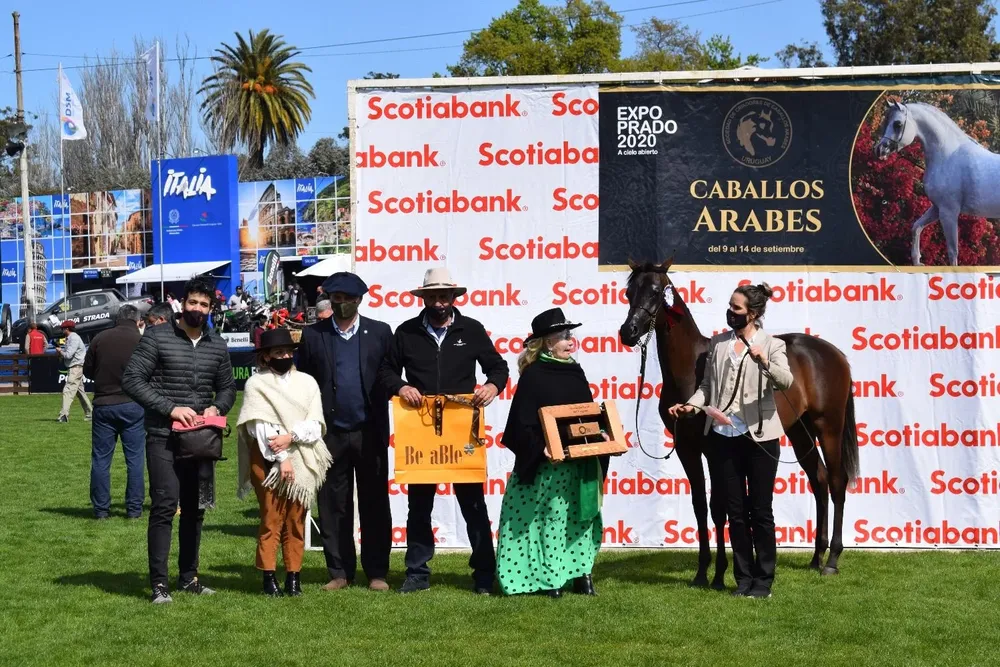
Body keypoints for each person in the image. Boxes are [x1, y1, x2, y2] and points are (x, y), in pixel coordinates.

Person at [378, 267, 509, 595]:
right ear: (423, 298)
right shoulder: (406, 332)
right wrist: (401, 386)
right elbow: (385, 370)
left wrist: (492, 386)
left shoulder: (472, 329)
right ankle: (417, 573)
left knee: (473, 506)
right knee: (419, 506)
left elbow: (499, 367)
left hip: (462, 427)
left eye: (443, 296)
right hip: (421, 429)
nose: (438, 302)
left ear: (453, 297)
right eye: (432, 296)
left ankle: (483, 574)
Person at [669, 282, 793, 600]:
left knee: (761, 510)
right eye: (730, 306)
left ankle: (763, 581)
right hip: (723, 437)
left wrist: (764, 361)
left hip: (761, 437)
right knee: (734, 511)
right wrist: (691, 406)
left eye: (736, 308)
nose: (731, 312)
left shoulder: (772, 345)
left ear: (752, 313)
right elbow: (708, 386)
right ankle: (743, 579)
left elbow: (786, 381)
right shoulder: (719, 344)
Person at [123, 278, 236, 604]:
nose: (197, 309)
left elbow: (228, 387)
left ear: (211, 308)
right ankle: (159, 585)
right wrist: (171, 408)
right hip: (162, 437)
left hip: (201, 440)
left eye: (204, 305)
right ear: (182, 303)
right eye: (193, 303)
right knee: (163, 507)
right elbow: (132, 380)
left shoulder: (217, 344)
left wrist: (219, 405)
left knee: (195, 510)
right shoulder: (158, 336)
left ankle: (189, 577)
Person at [496, 308, 607, 598]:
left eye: (571, 335)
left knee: (581, 517)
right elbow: (519, 424)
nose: (571, 341)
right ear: (547, 342)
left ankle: (582, 574)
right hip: (546, 467)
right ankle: (548, 578)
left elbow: (586, 414)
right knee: (545, 520)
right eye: (563, 336)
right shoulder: (533, 376)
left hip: (578, 465)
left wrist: (601, 436)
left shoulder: (575, 370)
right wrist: (540, 446)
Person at [297, 272, 394, 592]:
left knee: (375, 503)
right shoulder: (313, 335)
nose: (340, 304)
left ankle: (377, 571)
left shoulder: (380, 333)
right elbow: (304, 382)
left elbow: (389, 374)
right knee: (332, 504)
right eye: (335, 299)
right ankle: (339, 571)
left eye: (346, 299)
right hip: (329, 433)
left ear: (359, 300)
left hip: (370, 431)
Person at [237, 328, 333, 597]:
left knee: (296, 518)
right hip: (267, 460)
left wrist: (291, 437)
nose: (285, 356)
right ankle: (269, 577)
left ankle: (294, 576)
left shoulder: (308, 383)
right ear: (266, 356)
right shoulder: (256, 385)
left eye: (289, 351)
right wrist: (282, 458)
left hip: (303, 456)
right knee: (271, 517)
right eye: (279, 352)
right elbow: (259, 426)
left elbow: (316, 424)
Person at [83, 305, 146, 520]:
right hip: (133, 405)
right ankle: (134, 509)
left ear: (116, 319)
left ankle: (101, 510)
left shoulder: (99, 339)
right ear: (137, 321)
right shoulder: (141, 341)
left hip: (104, 403)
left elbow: (87, 371)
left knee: (101, 460)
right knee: (135, 459)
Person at [57, 320, 92, 423]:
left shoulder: (73, 338)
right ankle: (90, 413)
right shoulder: (71, 338)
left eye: (63, 328)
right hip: (75, 367)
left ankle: (64, 415)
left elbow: (68, 355)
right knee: (80, 392)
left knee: (68, 390)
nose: (62, 330)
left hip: (75, 367)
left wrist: (60, 351)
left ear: (67, 329)